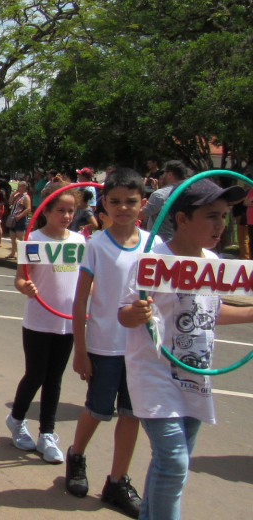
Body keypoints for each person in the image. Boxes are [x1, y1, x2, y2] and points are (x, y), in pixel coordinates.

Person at [118, 179, 252, 520]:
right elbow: (125, 312)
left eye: (224, 215)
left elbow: (210, 312)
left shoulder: (211, 261)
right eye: (211, 216)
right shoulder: (154, 260)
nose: (221, 225)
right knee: (175, 462)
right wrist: (136, 314)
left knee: (170, 463)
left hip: (195, 375)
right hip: (155, 376)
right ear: (181, 220)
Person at [65, 168, 150, 516]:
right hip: (105, 346)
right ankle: (77, 455)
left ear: (142, 204)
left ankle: (117, 481)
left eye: (131, 202)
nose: (123, 208)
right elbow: (81, 300)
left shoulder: (154, 244)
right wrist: (81, 351)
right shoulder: (96, 245)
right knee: (98, 409)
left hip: (141, 348)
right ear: (104, 204)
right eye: (115, 202)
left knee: (132, 415)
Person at [6, 182, 85, 465]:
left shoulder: (79, 242)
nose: (66, 216)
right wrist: (25, 287)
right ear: (47, 210)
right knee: (36, 375)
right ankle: (16, 418)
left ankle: (47, 433)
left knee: (55, 379)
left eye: (71, 211)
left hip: (67, 322)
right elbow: (20, 279)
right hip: (39, 321)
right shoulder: (35, 240)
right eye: (60, 210)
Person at [139, 160, 188, 241]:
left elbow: (139, 216)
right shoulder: (188, 193)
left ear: (170, 174)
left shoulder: (160, 195)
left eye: (163, 172)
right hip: (180, 243)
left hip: (159, 244)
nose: (161, 175)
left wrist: (139, 191)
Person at [5, 181, 31, 261]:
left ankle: (23, 254)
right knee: (12, 235)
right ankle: (13, 252)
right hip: (13, 217)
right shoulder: (17, 196)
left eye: (20, 186)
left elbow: (28, 208)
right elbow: (10, 203)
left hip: (21, 218)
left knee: (20, 237)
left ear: (24, 187)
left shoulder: (26, 197)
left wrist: (20, 215)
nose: (18, 188)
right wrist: (13, 195)